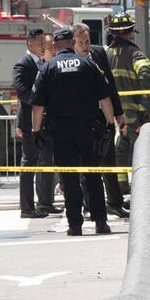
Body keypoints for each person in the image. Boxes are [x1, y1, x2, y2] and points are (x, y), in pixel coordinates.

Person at [31, 27, 116, 236]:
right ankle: (100, 222)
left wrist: (36, 131)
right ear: (71, 42)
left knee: (69, 179)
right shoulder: (88, 64)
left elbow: (38, 105)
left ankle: (75, 224)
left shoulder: (48, 68)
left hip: (61, 132)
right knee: (93, 176)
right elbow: (105, 97)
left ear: (55, 45)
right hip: (88, 129)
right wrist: (110, 124)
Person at [73, 23, 128, 219]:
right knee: (87, 164)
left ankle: (115, 202)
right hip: (83, 118)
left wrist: (118, 112)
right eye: (81, 43)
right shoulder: (70, 60)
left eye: (88, 41)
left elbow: (110, 84)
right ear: (74, 43)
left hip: (103, 116)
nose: (86, 45)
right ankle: (89, 205)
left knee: (108, 159)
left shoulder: (98, 53)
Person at [104, 13, 150, 208]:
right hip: (133, 113)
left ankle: (121, 188)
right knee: (137, 151)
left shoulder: (107, 54)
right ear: (131, 31)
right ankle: (138, 189)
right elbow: (146, 77)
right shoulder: (136, 54)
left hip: (113, 112)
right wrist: (144, 109)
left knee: (119, 151)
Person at [13, 29, 54, 218]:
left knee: (46, 161)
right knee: (29, 163)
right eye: (39, 42)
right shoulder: (23, 63)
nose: (43, 45)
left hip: (43, 122)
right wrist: (41, 104)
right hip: (30, 122)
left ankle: (45, 202)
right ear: (29, 44)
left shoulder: (43, 63)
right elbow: (22, 92)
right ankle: (27, 207)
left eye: (43, 42)